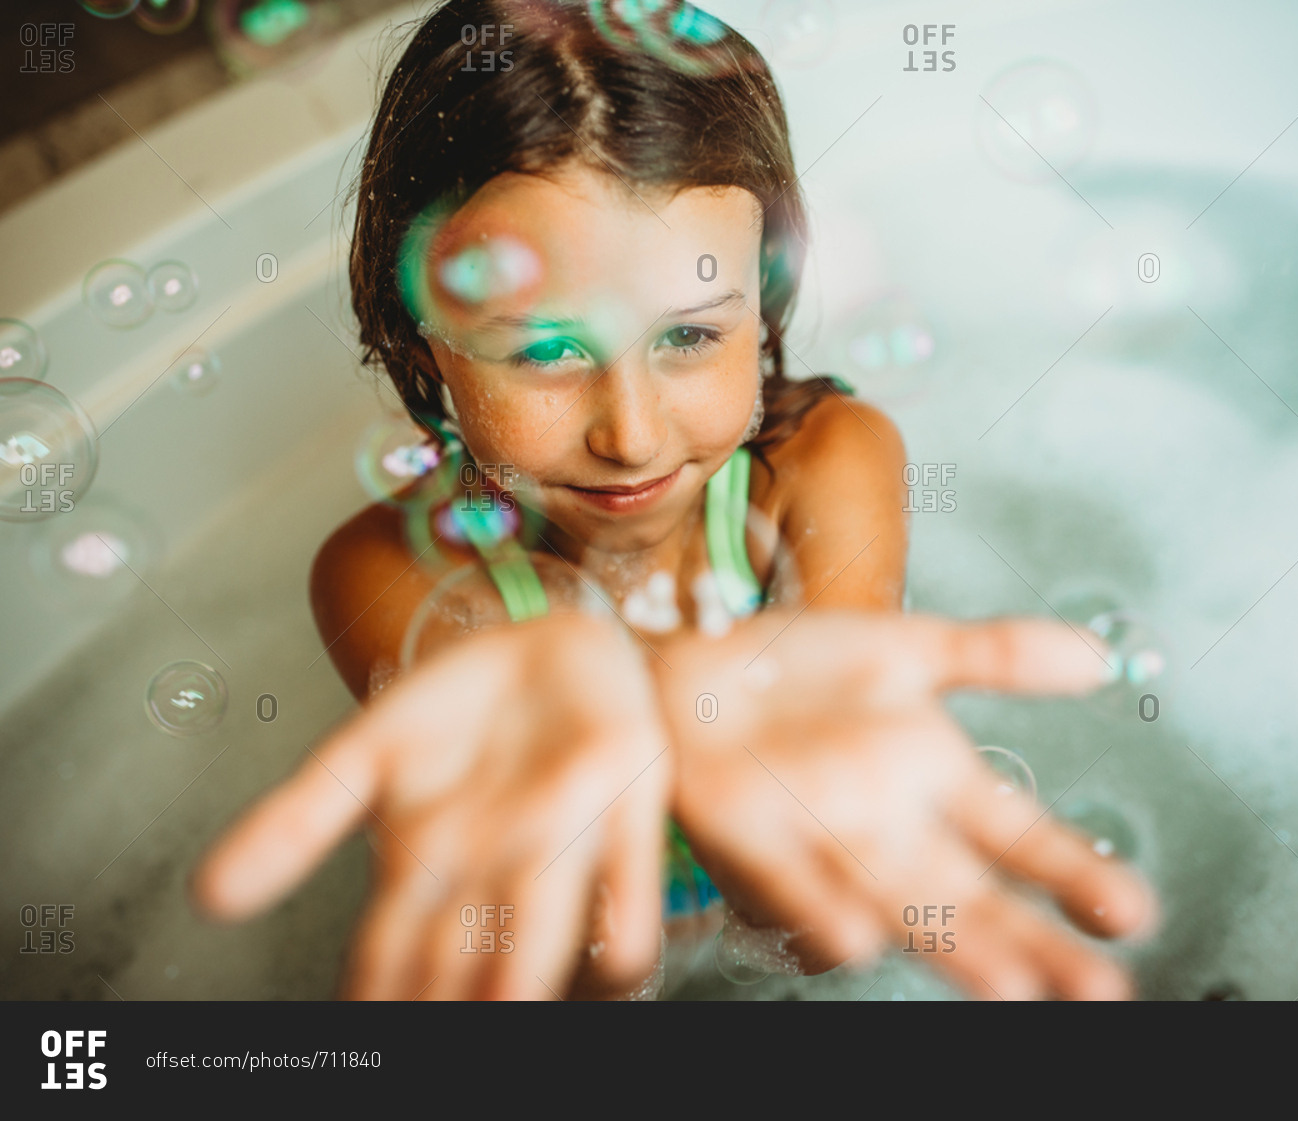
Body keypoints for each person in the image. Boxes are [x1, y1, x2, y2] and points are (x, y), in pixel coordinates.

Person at [194, 0, 1155, 999]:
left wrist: (752, 783)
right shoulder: (382, 571)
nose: (632, 435)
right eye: (546, 351)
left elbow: (822, 928)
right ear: (419, 337)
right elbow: (579, 961)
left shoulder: (827, 463)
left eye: (690, 335)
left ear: (762, 299)